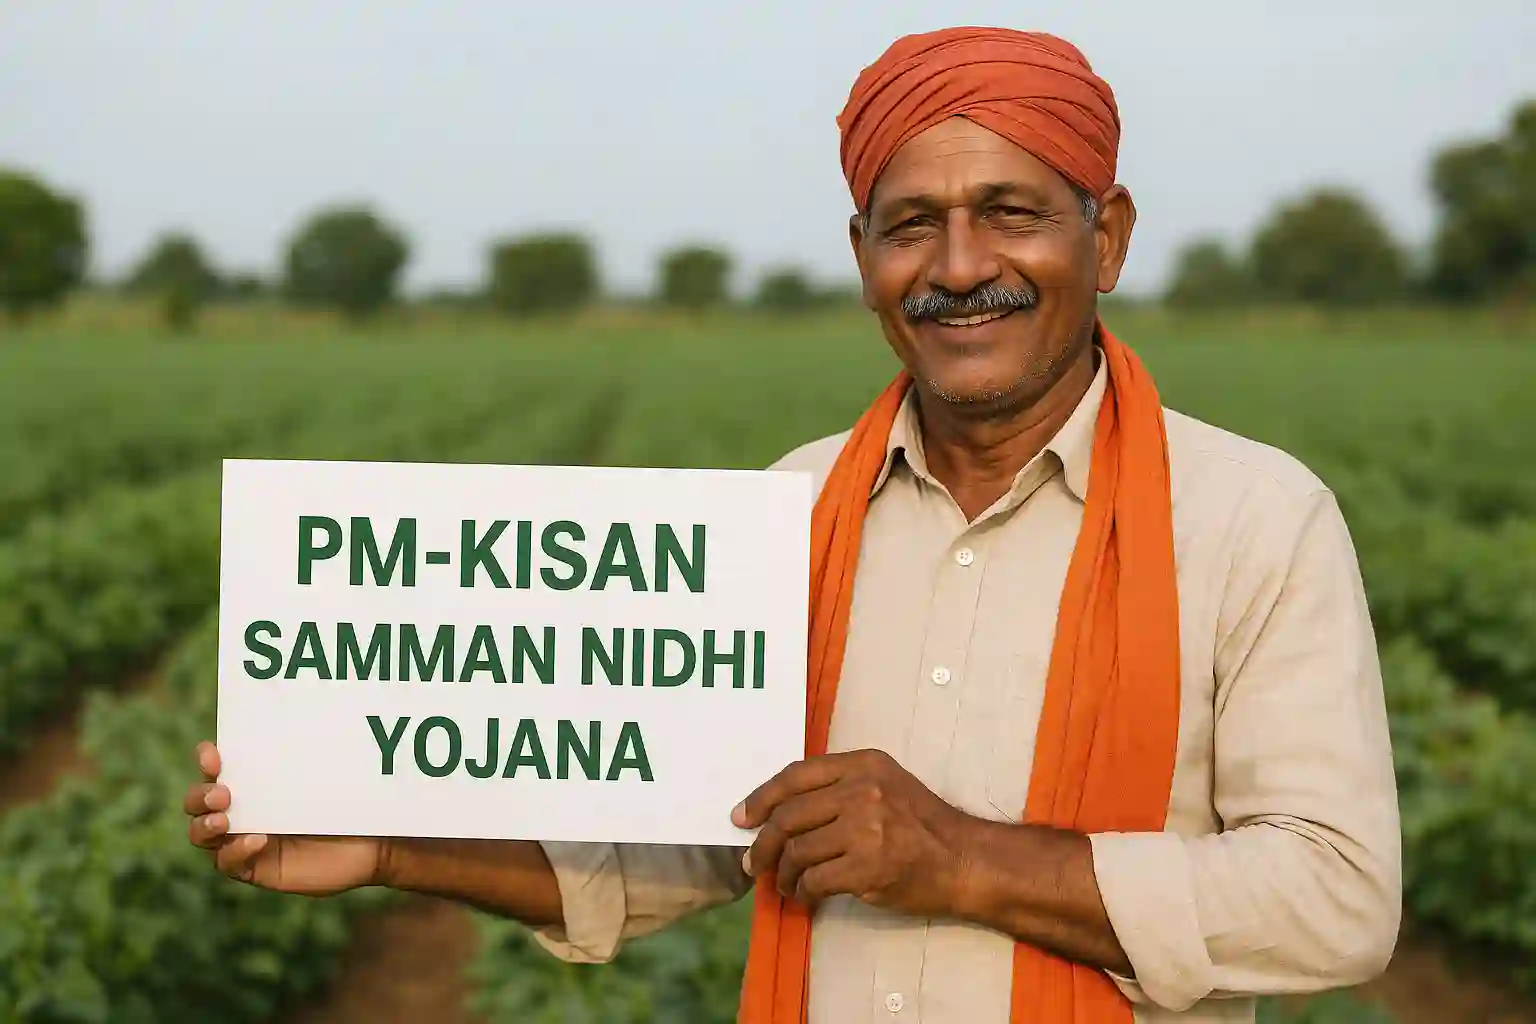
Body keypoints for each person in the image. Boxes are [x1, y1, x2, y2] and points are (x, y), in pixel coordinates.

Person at [184, 26, 1401, 1024]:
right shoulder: (794, 510)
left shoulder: (1254, 519)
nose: (961, 262)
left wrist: (962, 856)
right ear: (862, 254)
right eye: (910, 222)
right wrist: (389, 837)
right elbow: (703, 840)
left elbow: (1338, 897)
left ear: (1111, 236)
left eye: (1013, 212)